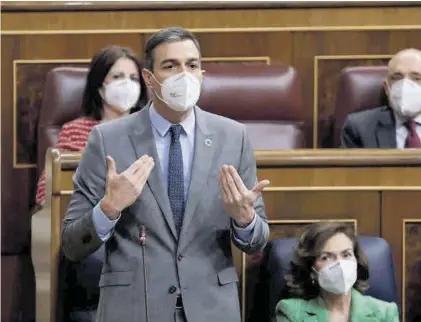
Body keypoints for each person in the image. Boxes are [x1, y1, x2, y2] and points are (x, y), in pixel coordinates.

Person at [61, 26, 270, 322]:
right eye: (170, 66)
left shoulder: (233, 137)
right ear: (149, 78)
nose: (184, 75)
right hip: (133, 308)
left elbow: (258, 241)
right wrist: (108, 209)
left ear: (201, 75)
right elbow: (71, 243)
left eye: (192, 65)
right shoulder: (107, 139)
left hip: (211, 308)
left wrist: (245, 219)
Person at [35, 45, 148, 207]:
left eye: (134, 78)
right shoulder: (76, 131)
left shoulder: (151, 130)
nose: (127, 84)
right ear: (99, 85)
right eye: (117, 77)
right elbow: (45, 193)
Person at [275, 222, 399, 322]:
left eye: (346, 255)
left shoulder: (385, 313)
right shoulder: (291, 313)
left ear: (357, 261)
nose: (340, 264)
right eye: (326, 257)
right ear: (311, 270)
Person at [340, 48, 421, 148]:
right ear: (387, 88)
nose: (406, 85)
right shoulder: (359, 128)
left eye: (416, 78)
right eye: (397, 78)